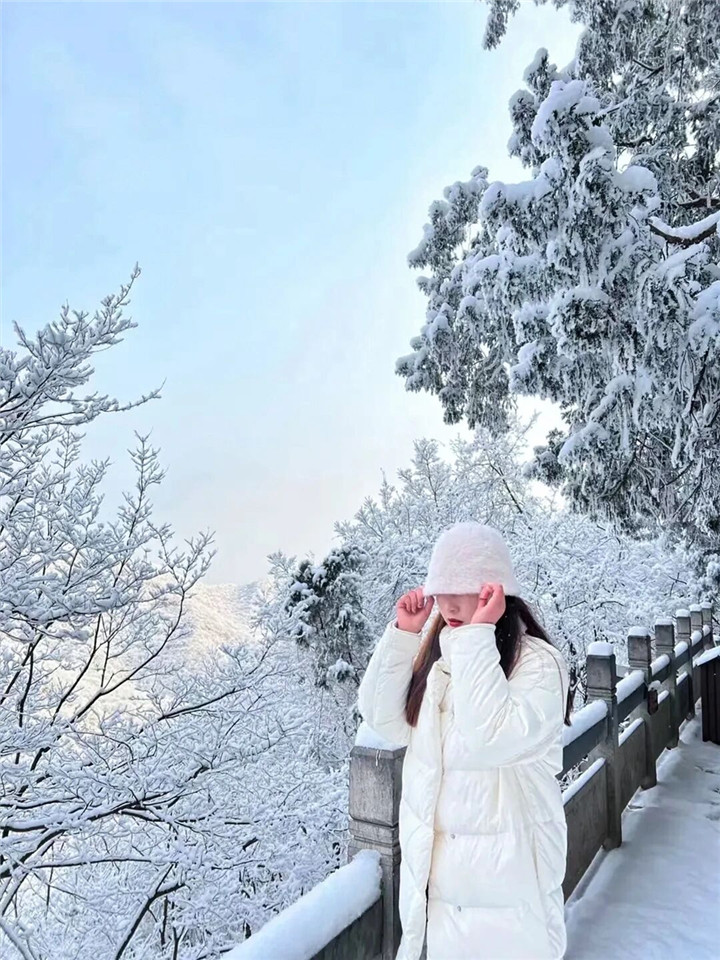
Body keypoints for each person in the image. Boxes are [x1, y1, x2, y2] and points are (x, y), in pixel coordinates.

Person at [357, 521, 572, 960]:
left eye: (464, 589)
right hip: (447, 901)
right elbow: (384, 720)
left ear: (497, 591)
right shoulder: (445, 661)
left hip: (513, 897)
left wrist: (476, 635)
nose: (448, 604)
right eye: (441, 590)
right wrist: (403, 635)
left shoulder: (538, 665)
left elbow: (490, 739)